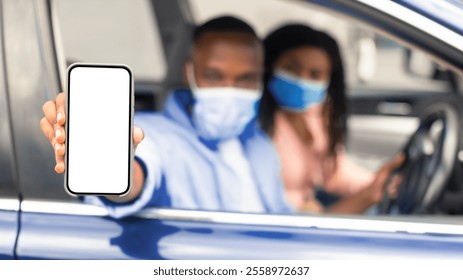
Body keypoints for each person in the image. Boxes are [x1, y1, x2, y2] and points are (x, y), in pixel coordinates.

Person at [40, 17, 404, 218]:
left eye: (245, 78)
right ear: (190, 73)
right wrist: (110, 164)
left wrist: (370, 194)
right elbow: (135, 179)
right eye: (215, 76)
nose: (230, 88)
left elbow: (287, 227)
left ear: (260, 79)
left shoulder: (259, 144)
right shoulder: (153, 135)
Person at [259, 24, 398, 213]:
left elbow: (333, 172)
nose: (301, 79)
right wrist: (367, 196)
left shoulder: (316, 114)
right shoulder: (256, 125)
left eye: (315, 75)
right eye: (292, 68)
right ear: (269, 65)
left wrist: (379, 183)